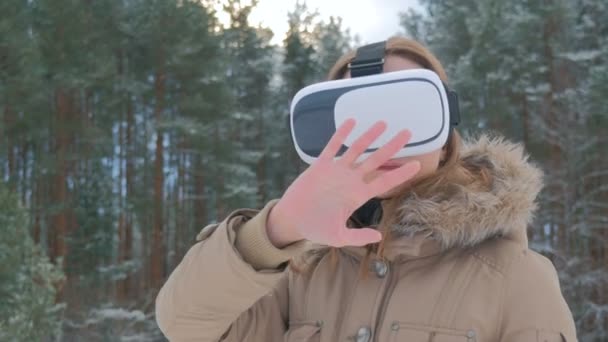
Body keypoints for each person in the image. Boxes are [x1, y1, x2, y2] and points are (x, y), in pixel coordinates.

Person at [155, 37, 577, 341]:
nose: (385, 138)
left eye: (408, 113)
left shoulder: (516, 278)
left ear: (447, 131)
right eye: (358, 120)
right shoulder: (297, 274)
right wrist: (276, 232)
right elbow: (186, 325)